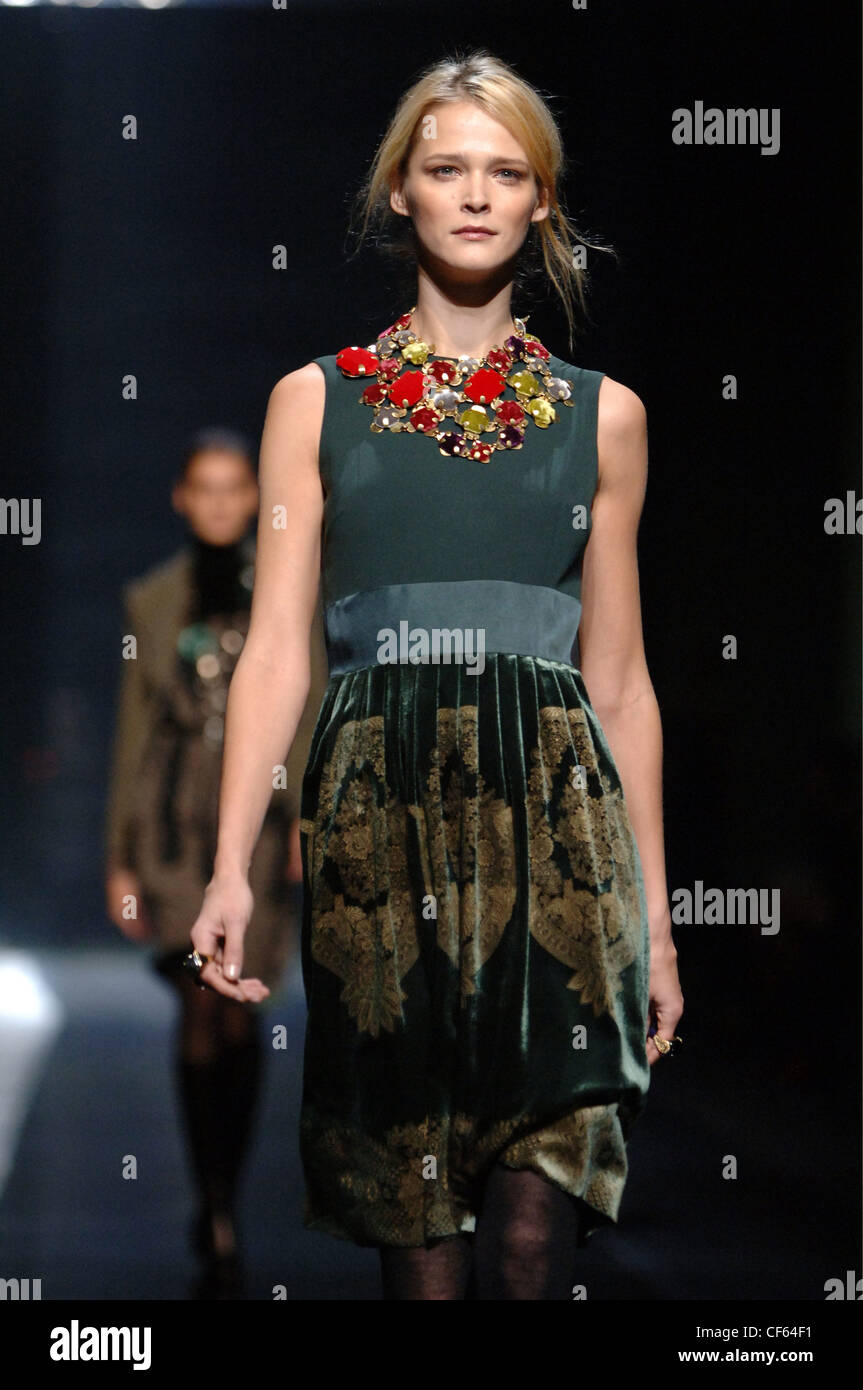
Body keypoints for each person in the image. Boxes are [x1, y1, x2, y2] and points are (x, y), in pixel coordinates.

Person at [189, 48, 684, 1301]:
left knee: (530, 1238)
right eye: (445, 168)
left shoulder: (603, 416)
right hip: (377, 826)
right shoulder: (312, 403)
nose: (474, 194)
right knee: (419, 1246)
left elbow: (618, 680)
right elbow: (277, 651)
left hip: (557, 834)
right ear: (397, 192)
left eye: (505, 172)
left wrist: (659, 925)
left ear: (540, 205)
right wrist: (231, 866)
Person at [104, 429, 329, 1297]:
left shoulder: (284, 594)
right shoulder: (151, 601)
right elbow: (135, 734)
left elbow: (304, 700)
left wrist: (310, 813)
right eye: (208, 487)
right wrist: (119, 859)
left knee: (241, 1013)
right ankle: (212, 1198)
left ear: (253, 498)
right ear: (182, 498)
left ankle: (223, 1192)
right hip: (175, 828)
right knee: (202, 1010)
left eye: (238, 487)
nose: (224, 502)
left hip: (264, 824)